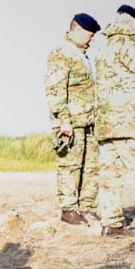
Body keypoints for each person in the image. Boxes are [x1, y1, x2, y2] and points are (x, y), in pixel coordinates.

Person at [93, 5, 135, 236]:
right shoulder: (128, 47)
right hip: (132, 122)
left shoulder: (103, 51)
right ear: (132, 25)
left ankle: (111, 224)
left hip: (106, 124)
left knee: (110, 175)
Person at [44, 13, 101, 225]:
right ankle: (69, 209)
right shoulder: (61, 53)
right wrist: (64, 120)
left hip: (88, 122)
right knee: (70, 166)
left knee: (90, 167)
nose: (92, 38)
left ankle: (87, 207)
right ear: (76, 29)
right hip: (71, 123)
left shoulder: (81, 54)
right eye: (89, 34)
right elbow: (55, 89)